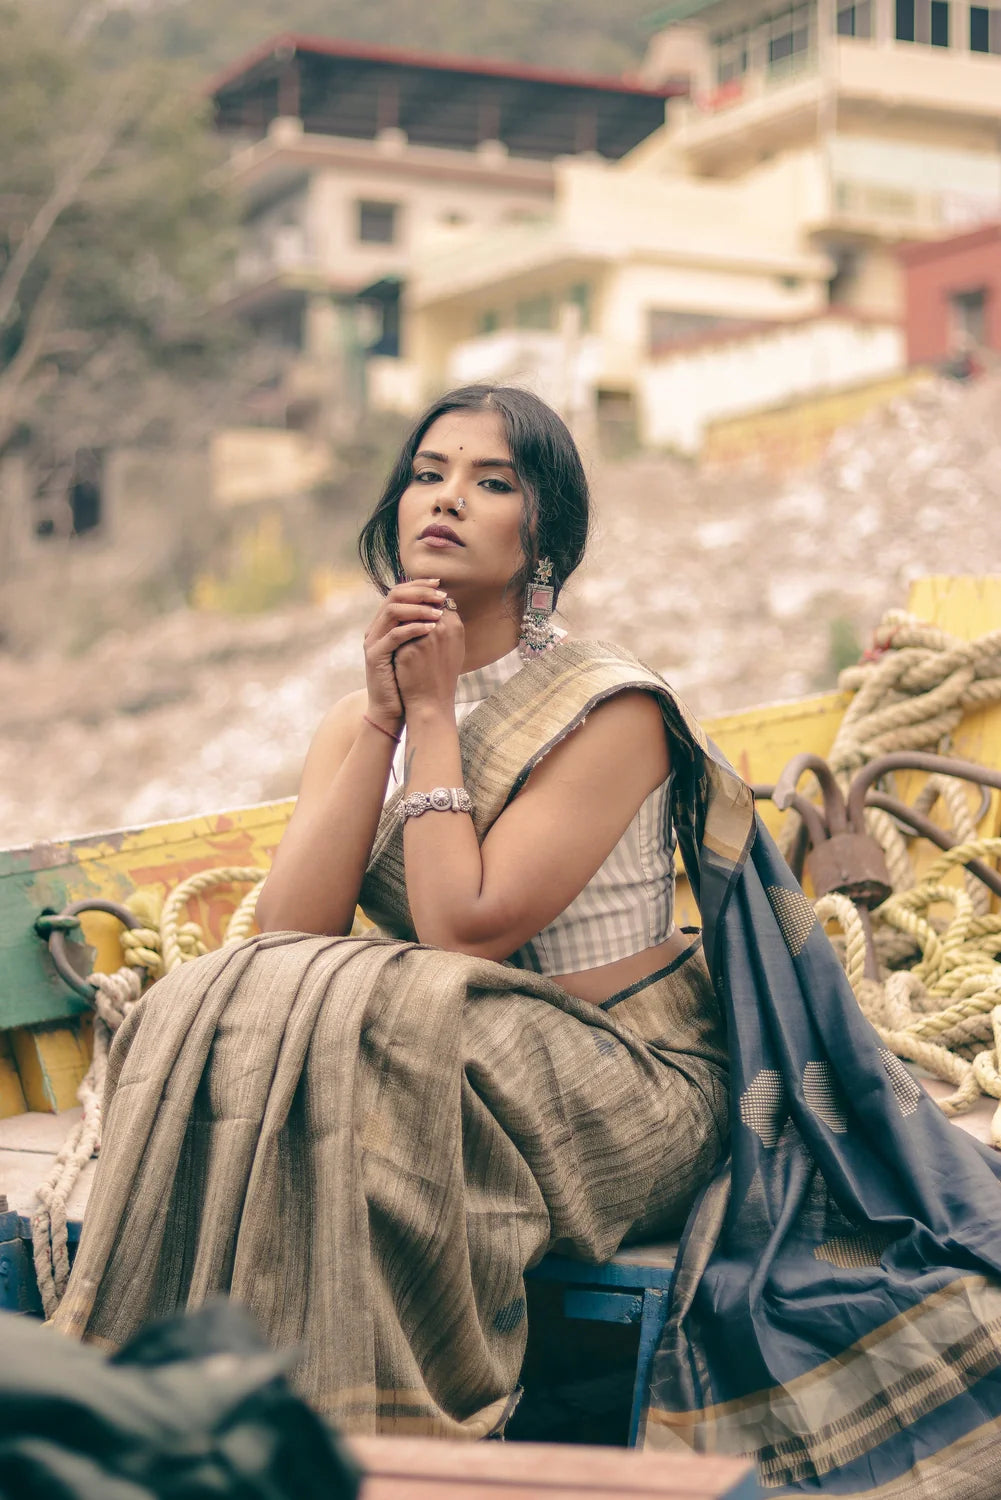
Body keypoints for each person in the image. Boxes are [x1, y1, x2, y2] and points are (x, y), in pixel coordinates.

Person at [53, 387, 1001, 1498]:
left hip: (634, 1076)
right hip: (462, 1057)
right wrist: (378, 721)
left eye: (490, 481)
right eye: (426, 472)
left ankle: (391, 1433)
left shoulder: (610, 712)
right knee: (220, 1004)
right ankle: (199, 1410)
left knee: (386, 1036)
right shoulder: (365, 716)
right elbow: (288, 933)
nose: (446, 497)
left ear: (539, 533)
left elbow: (464, 933)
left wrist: (439, 719)